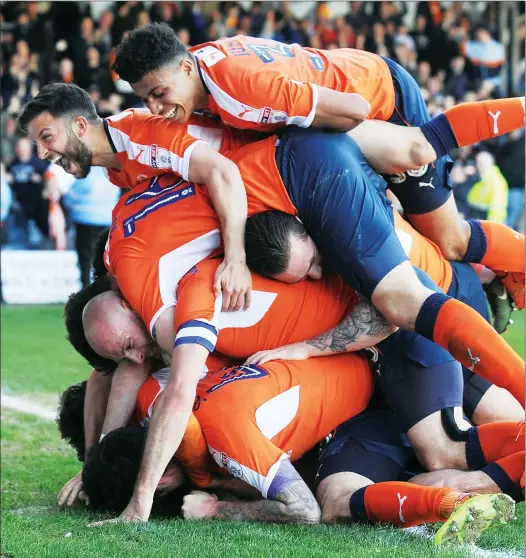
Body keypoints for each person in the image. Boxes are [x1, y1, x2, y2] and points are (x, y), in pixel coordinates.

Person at [113, 23, 525, 308]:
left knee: (447, 237)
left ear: (185, 68)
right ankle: (494, 280)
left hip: (386, 101)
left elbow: (353, 109)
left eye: (160, 93)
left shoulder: (242, 88)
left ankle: (510, 268)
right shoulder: (202, 70)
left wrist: (346, 157)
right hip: (361, 80)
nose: (154, 107)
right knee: (411, 233)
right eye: (145, 98)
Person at [81, 364, 518, 545]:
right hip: (368, 399)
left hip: (390, 366)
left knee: (442, 452)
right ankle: (456, 502)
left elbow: (303, 511)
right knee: (354, 493)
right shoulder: (157, 395)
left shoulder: (223, 437)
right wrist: (90, 461)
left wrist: (218, 510)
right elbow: (117, 369)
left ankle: (479, 487)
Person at [16, 83, 251, 311]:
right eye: (36, 144)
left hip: (265, 181)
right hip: (245, 205)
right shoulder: (115, 171)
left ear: (79, 126)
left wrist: (235, 261)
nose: (41, 153)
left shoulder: (138, 135)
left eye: (46, 137)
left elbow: (223, 171)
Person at [63, 166, 120, 286]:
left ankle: (86, 288)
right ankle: (103, 287)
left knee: (85, 258)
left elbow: (71, 197)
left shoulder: (86, 174)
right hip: (107, 221)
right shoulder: (112, 174)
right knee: (104, 259)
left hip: (85, 219)